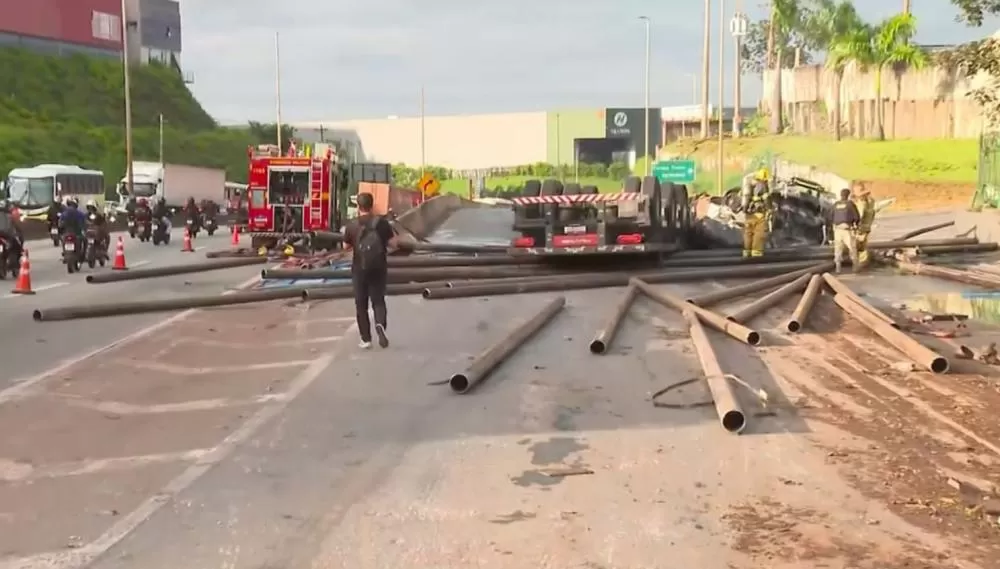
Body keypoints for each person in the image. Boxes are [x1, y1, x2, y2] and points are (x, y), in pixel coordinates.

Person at [344, 192, 397, 349]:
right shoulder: (381, 223)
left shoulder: (352, 225)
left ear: (358, 206)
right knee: (378, 300)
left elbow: (345, 247)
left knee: (361, 304)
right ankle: (380, 324)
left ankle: (366, 339)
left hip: (359, 268)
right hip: (378, 267)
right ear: (372, 205)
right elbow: (394, 243)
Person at [740, 168, 772, 258]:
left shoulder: (748, 185)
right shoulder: (762, 185)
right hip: (759, 214)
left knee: (748, 233)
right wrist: (769, 209)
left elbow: (745, 200)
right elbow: (766, 199)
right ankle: (756, 254)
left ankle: (746, 253)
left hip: (748, 215)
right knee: (759, 233)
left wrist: (745, 210)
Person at [831, 188, 861, 273]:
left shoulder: (835, 204)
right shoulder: (850, 204)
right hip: (847, 229)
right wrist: (856, 225)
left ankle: (838, 268)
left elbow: (830, 217)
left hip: (837, 230)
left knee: (838, 249)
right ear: (848, 195)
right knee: (852, 248)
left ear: (841, 195)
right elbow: (857, 217)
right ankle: (855, 267)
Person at [853, 183, 876, 268]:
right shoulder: (871, 202)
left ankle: (859, 264)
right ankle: (863, 263)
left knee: (858, 246)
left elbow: (860, 216)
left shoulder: (861, 203)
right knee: (863, 246)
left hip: (860, 228)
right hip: (867, 227)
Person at [0, 199, 24, 267]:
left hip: (7, 235)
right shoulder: (10, 215)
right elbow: (16, 224)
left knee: (17, 243)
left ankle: (14, 262)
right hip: (7, 235)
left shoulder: (11, 215)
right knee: (17, 243)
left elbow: (16, 224)